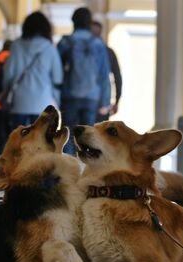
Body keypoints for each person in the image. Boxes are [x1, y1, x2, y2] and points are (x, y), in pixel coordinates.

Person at [57, 7, 110, 154]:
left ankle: (69, 168)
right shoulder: (98, 44)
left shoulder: (65, 42)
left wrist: (55, 95)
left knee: (68, 134)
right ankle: (85, 168)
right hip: (91, 97)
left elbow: (56, 72)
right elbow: (104, 74)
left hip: (69, 95)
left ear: (73, 22)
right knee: (87, 136)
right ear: (89, 23)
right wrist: (105, 101)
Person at [3, 11, 63, 128]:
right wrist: (57, 99)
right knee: (40, 142)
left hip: (19, 102)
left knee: (20, 141)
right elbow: (57, 77)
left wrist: (7, 88)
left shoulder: (16, 46)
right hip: (43, 102)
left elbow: (8, 73)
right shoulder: (49, 47)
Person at [91, 20, 122, 122]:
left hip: (84, 101)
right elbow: (117, 77)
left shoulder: (81, 49)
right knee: (100, 134)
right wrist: (117, 100)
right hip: (103, 102)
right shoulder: (108, 52)